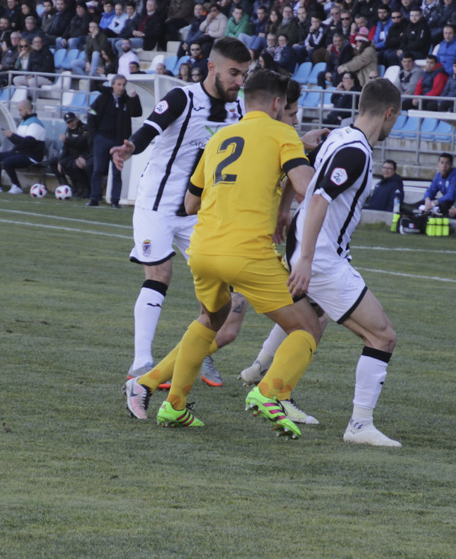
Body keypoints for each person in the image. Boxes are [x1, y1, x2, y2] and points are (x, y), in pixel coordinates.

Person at [125, 69, 320, 438]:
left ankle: (174, 405)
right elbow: (304, 186)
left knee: (212, 318)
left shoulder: (220, 136)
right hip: (246, 252)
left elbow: (191, 201)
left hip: (202, 249)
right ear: (279, 104)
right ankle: (269, 393)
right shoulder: (283, 134)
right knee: (307, 326)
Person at [111, 38, 252, 386]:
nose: (239, 81)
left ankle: (198, 354)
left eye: (244, 75)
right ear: (212, 68)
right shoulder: (182, 97)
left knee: (227, 292)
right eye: (234, 73)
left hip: (200, 213)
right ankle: (141, 363)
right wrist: (131, 148)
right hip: (156, 205)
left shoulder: (239, 111)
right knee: (159, 274)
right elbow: (150, 129)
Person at [272, 78, 404, 446]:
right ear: (389, 112)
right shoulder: (356, 151)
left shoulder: (339, 136)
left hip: (313, 249)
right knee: (382, 336)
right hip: (323, 258)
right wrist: (307, 261)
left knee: (311, 320)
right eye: (396, 118)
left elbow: (298, 170)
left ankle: (262, 378)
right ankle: (360, 425)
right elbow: (319, 201)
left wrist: (284, 212)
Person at [87, 74, 142, 208]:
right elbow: (91, 113)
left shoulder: (127, 100)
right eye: (119, 84)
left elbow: (137, 112)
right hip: (102, 139)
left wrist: (135, 98)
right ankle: (94, 198)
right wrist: (94, 135)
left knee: (117, 171)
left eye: (124, 85)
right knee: (98, 169)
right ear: (113, 85)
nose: (122, 87)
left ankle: (115, 201)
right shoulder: (103, 98)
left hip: (118, 141)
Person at [0, 99, 46, 194]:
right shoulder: (23, 122)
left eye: (20, 110)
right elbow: (19, 142)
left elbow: (28, 143)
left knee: (6, 162)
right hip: (20, 152)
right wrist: (10, 136)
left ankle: (17, 186)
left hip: (31, 156)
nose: (19, 113)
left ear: (27, 109)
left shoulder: (35, 123)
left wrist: (12, 136)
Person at [48, 111, 92, 198]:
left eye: (72, 121)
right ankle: (65, 185)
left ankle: (84, 188)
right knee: (54, 161)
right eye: (68, 122)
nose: (71, 124)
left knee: (72, 164)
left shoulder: (84, 129)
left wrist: (67, 140)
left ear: (76, 119)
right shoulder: (68, 130)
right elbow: (65, 148)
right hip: (71, 155)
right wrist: (60, 160)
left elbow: (81, 143)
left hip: (82, 155)